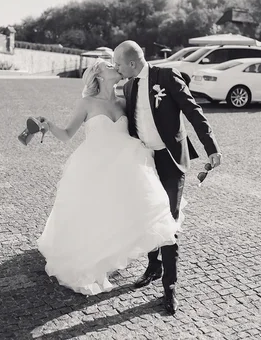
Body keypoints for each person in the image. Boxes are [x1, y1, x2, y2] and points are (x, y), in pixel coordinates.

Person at [36, 59, 180, 297]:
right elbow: (67, 134)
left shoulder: (124, 100)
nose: (116, 67)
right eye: (109, 65)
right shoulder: (86, 103)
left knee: (135, 211)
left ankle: (154, 267)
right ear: (99, 75)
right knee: (92, 215)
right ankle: (88, 260)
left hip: (126, 167)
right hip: (93, 167)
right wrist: (49, 126)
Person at [114, 40, 221, 314]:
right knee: (148, 214)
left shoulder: (166, 76)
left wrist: (211, 149)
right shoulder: (127, 86)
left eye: (118, 64)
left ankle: (169, 286)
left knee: (168, 220)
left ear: (132, 63)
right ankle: (153, 265)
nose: (116, 69)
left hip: (170, 160)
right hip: (144, 160)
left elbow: (193, 111)